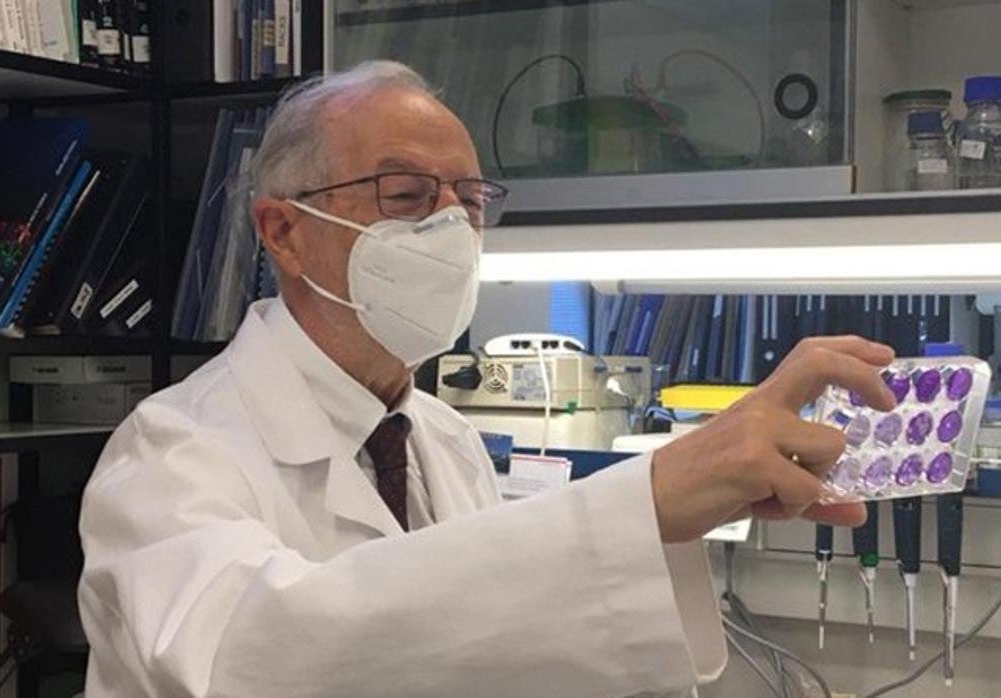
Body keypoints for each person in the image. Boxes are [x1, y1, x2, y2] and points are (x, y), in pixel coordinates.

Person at [78, 61, 895, 697]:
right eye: (405, 195)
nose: (448, 228)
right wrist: (642, 499)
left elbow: (484, 642)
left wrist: (664, 527)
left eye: (469, 201)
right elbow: (245, 661)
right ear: (285, 233)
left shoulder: (446, 439)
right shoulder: (170, 453)